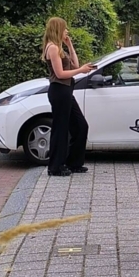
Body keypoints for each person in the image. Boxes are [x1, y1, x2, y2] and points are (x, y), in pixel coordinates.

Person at [42, 17, 95, 177]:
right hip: (59, 91)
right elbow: (60, 74)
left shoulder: (59, 47)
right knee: (61, 128)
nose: (67, 31)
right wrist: (81, 71)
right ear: (58, 29)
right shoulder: (52, 48)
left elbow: (75, 64)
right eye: (65, 28)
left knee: (80, 126)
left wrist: (70, 45)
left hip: (66, 91)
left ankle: (74, 163)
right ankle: (55, 167)